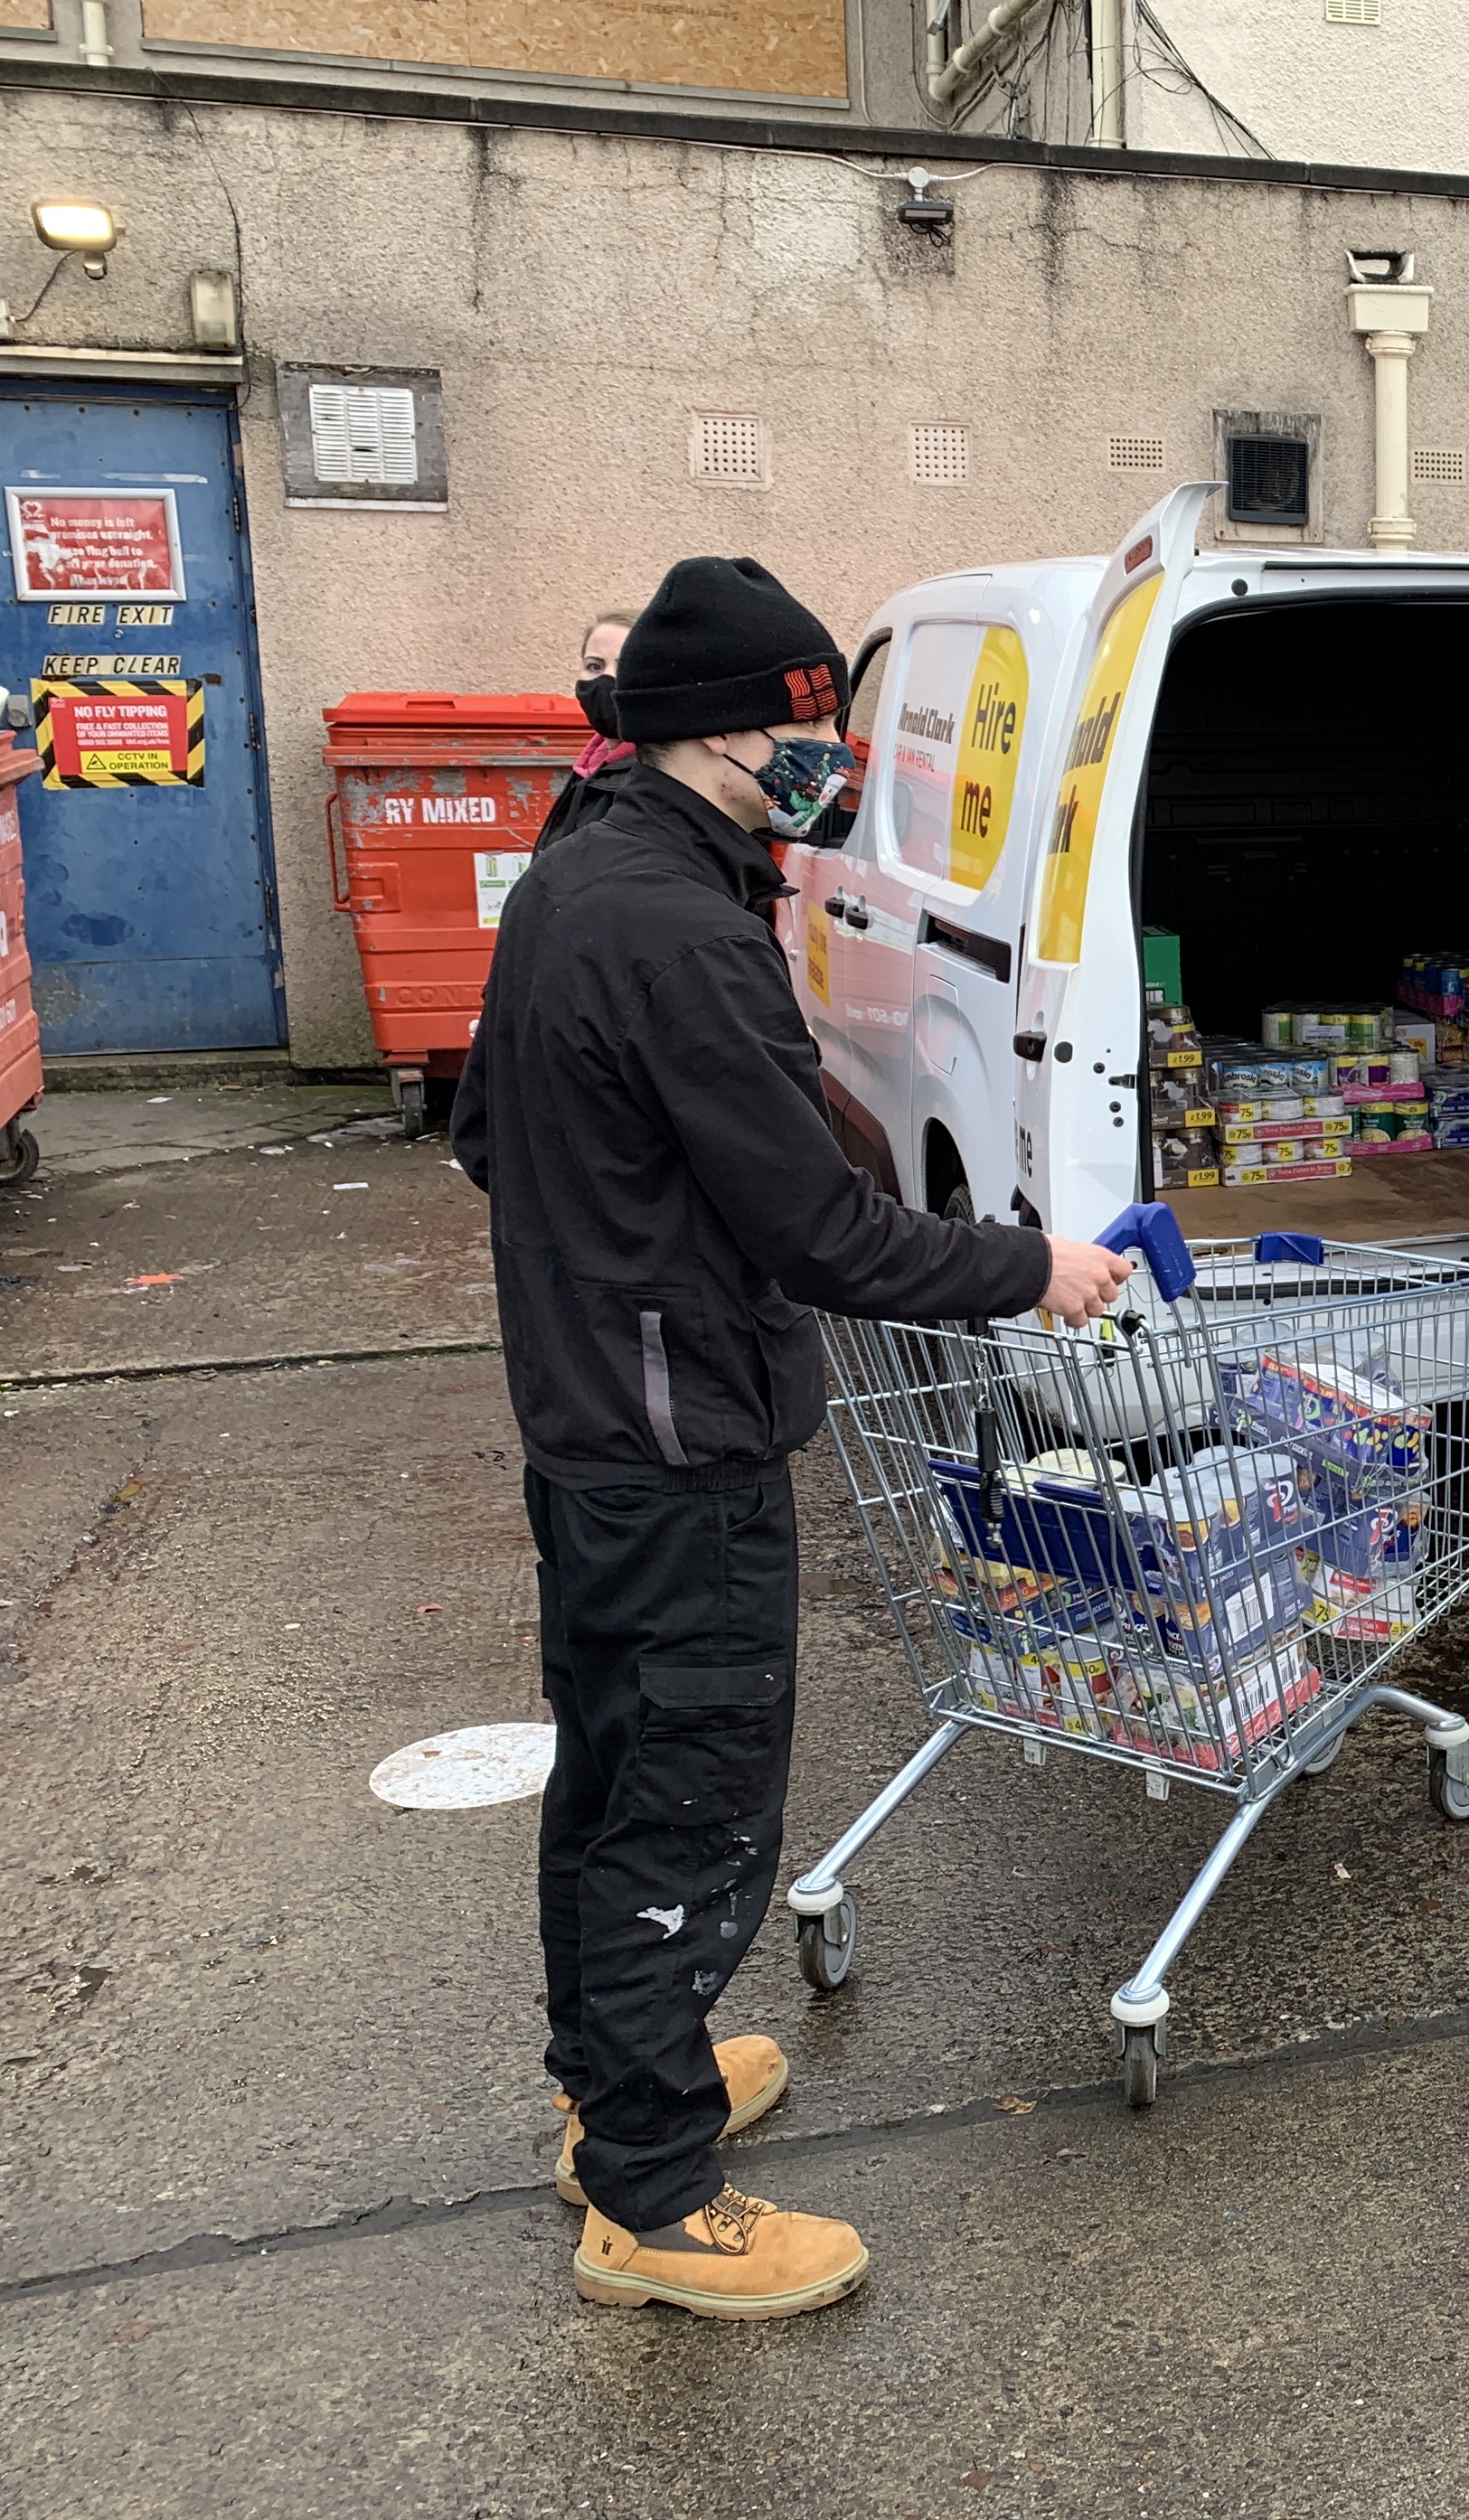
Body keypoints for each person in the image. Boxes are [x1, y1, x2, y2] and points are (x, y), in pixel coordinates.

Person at [453, 555, 1133, 2317]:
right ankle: (654, 2197)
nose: (820, 756)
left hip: (593, 1407)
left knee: (611, 1771)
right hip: (677, 1439)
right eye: (799, 726)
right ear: (710, 731)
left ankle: (613, 2076)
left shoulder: (584, 870)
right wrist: (1036, 1271)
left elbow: (484, 1139)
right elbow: (826, 1235)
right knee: (685, 1800)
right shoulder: (679, 930)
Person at [534, 606, 644, 851]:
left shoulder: (654, 781)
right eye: (594, 666)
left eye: (625, 666)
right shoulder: (589, 770)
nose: (607, 679)